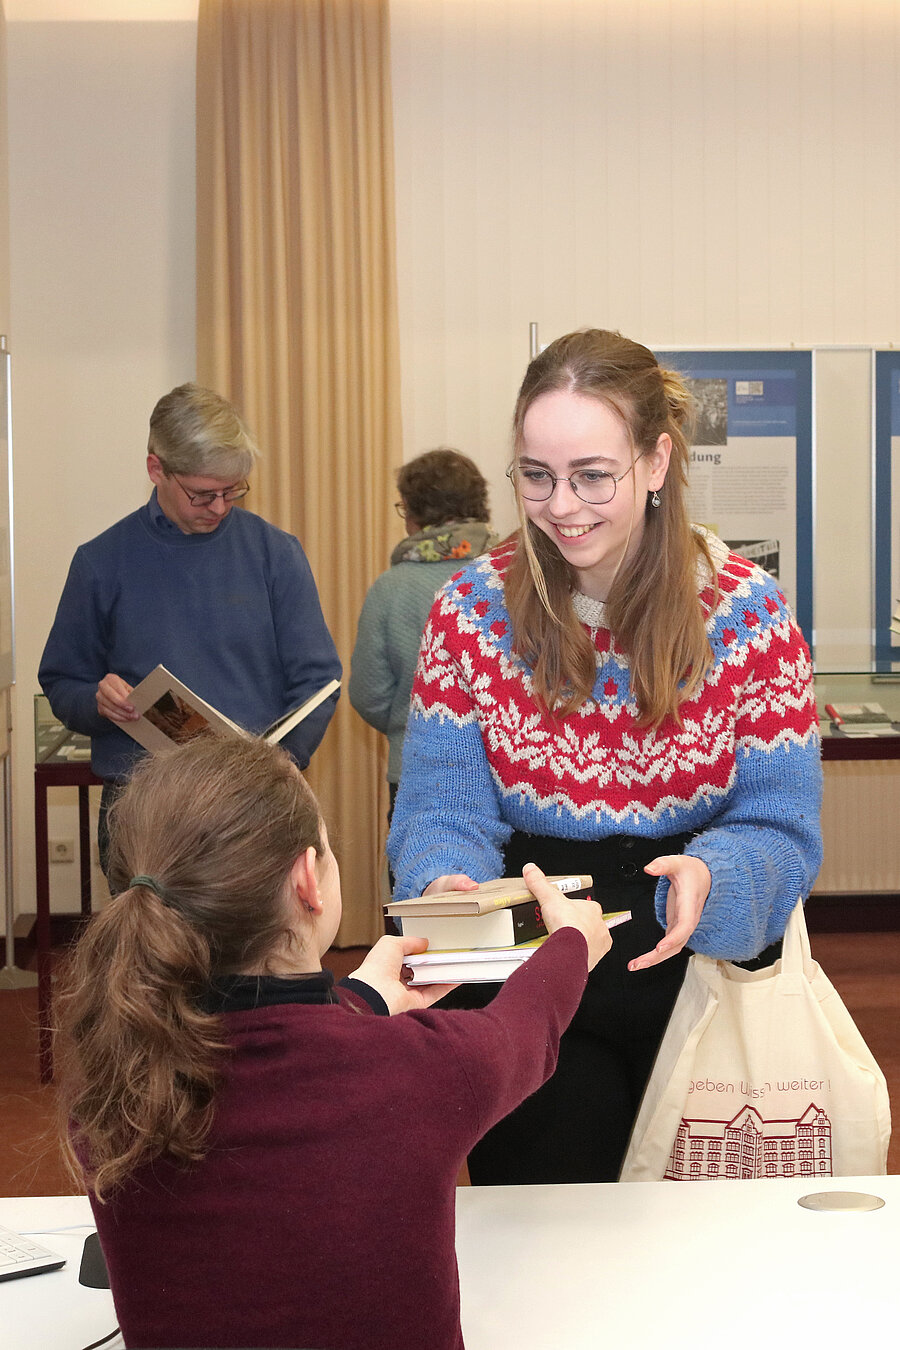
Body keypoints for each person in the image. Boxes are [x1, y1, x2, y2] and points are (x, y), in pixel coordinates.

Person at [387, 328, 824, 1186]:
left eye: (593, 475)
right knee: (547, 1242)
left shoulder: (748, 617)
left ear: (657, 462)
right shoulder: (470, 613)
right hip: (535, 966)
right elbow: (442, 811)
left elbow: (781, 825)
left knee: (699, 1261)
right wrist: (448, 888)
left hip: (696, 963)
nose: (562, 506)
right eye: (536, 476)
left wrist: (718, 876)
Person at [55, 734, 612, 1350]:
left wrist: (365, 1000)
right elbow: (522, 1032)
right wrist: (572, 945)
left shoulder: (119, 1083)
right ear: (307, 881)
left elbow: (263, 1043)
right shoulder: (416, 1071)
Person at [38, 382, 341, 872]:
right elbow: (61, 683)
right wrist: (98, 701)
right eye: (203, 494)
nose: (220, 507)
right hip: (142, 809)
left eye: (232, 491)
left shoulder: (274, 554)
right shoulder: (101, 562)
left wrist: (284, 759)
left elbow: (320, 683)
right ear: (156, 468)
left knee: (255, 950)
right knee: (153, 950)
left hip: (250, 803)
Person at [349, 447, 496, 816]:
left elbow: (369, 695)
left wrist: (408, 719)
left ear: (415, 514)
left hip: (418, 770)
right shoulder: (516, 577)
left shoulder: (391, 588)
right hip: (507, 773)